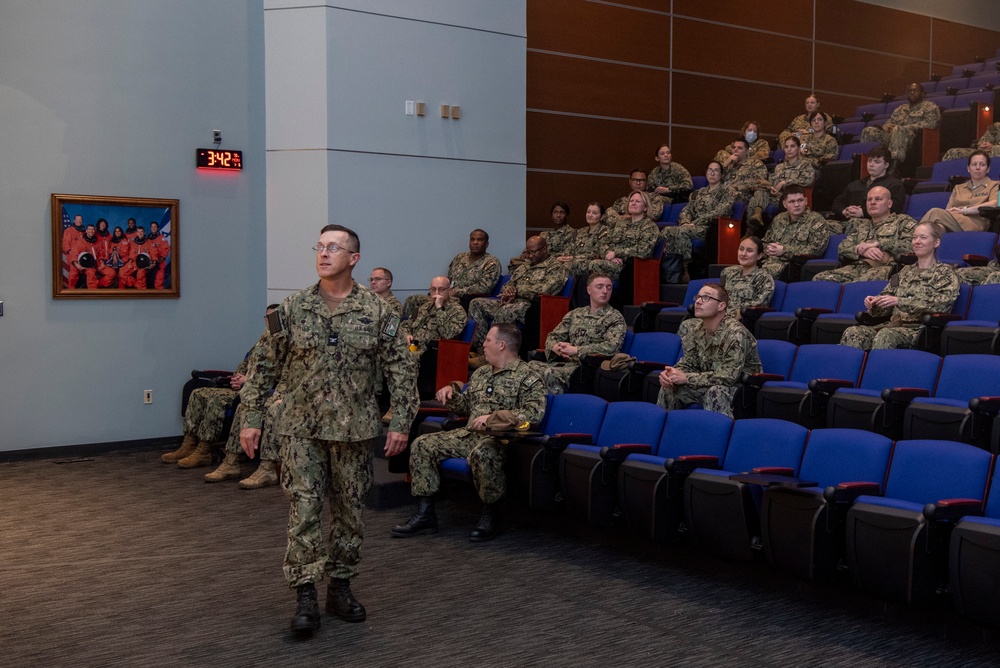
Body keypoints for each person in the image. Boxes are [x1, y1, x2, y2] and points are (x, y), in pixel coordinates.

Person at [239, 224, 418, 635]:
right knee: (303, 511)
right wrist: (251, 419)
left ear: (353, 259)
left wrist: (403, 422)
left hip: (354, 431)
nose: (323, 253)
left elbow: (401, 370)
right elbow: (263, 365)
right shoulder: (292, 308)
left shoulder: (378, 312)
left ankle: (339, 587)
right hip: (300, 428)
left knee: (350, 513)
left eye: (334, 247)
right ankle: (304, 595)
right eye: (320, 246)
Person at [391, 323, 547, 542]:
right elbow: (467, 407)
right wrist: (451, 395)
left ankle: (491, 515)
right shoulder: (482, 373)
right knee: (422, 444)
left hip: (501, 441)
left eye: (488, 340)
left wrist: (492, 420)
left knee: (483, 453)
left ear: (502, 345)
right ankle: (425, 514)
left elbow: (533, 415)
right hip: (469, 435)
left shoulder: (528, 377)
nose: (482, 344)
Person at [840, 221, 959, 350]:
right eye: (914, 237)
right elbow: (887, 297)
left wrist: (900, 301)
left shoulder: (945, 273)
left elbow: (941, 305)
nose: (917, 241)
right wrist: (875, 303)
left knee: (886, 336)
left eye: (923, 237)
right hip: (893, 325)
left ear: (936, 242)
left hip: (919, 329)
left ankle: (878, 370)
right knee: (853, 332)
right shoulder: (904, 272)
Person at [204, 304, 283, 489]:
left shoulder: (289, 342)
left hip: (284, 395)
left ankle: (268, 468)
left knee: (273, 409)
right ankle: (231, 462)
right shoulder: (264, 343)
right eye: (267, 318)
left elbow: (284, 377)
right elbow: (252, 367)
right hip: (266, 391)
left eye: (273, 319)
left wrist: (250, 383)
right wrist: (241, 379)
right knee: (243, 406)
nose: (269, 323)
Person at [656, 283, 762, 417]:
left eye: (706, 298)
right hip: (707, 382)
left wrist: (687, 378)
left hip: (741, 388)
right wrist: (671, 375)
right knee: (669, 388)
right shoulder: (694, 329)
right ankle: (667, 434)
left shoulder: (735, 333)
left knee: (715, 391)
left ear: (721, 306)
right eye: (698, 297)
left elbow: (729, 377)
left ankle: (716, 435)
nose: (698, 301)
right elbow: (690, 363)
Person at [161, 340, 261, 469]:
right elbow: (243, 365)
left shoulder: (281, 347)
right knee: (197, 393)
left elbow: (271, 376)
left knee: (217, 399)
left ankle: (204, 450)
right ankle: (189, 443)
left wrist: (247, 381)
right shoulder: (260, 344)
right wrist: (237, 378)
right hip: (239, 387)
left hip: (254, 391)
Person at [527, 272, 626, 395]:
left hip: (587, 368)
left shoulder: (614, 317)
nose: (605, 291)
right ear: (589, 290)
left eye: (609, 287)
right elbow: (553, 336)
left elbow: (612, 348)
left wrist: (577, 350)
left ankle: (555, 409)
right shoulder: (575, 314)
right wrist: (555, 347)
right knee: (529, 367)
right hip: (564, 363)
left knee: (549, 373)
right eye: (599, 287)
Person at [468, 236, 567, 350]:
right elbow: (509, 283)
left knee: (507, 311)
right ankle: (481, 348)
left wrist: (517, 292)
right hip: (511, 302)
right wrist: (507, 291)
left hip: (532, 307)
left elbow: (545, 290)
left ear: (544, 249)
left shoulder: (555, 268)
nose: (529, 256)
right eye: (527, 252)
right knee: (476, 303)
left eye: (533, 252)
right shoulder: (525, 266)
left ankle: (494, 350)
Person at [813, 186, 916, 283]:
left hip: (887, 268)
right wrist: (861, 251)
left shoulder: (903, 221)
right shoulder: (861, 225)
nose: (873, 202)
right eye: (869, 200)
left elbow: (912, 246)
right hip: (858, 266)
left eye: (878, 199)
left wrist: (878, 244)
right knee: (820, 279)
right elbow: (843, 247)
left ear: (889, 203)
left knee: (859, 283)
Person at [660, 161, 736, 283]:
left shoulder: (727, 191)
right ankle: (670, 271)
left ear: (721, 175)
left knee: (682, 232)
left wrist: (696, 222)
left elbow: (722, 210)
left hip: (711, 227)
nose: (712, 173)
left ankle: (685, 269)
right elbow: (687, 210)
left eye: (716, 170)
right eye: (709, 170)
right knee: (667, 230)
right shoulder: (698, 193)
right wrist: (685, 221)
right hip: (692, 226)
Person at [403, 229, 502, 317]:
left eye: (479, 240)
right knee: (413, 299)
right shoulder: (460, 257)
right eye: (472, 239)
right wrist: (438, 290)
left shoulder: (491, 262)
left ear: (487, 244)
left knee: (436, 304)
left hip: (463, 300)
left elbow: (484, 288)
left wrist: (458, 291)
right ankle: (406, 331)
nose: (475, 242)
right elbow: (448, 279)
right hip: (446, 295)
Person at [759, 186, 839, 279]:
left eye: (800, 200)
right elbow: (765, 242)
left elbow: (816, 250)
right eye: (792, 202)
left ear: (806, 201)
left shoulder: (816, 220)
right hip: (768, 263)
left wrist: (784, 251)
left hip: (792, 266)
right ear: (785, 204)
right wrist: (770, 249)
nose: (796, 205)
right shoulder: (779, 219)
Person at [746, 135, 816, 234]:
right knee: (757, 194)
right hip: (775, 196)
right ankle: (756, 217)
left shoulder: (805, 165)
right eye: (786, 147)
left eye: (792, 146)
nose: (789, 149)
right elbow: (773, 182)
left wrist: (785, 183)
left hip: (790, 198)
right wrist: (771, 188)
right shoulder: (779, 167)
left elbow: (809, 180)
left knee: (757, 200)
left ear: (798, 148)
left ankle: (751, 230)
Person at [588, 190, 660, 283]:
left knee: (594, 265)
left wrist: (617, 253)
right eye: (631, 201)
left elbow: (644, 250)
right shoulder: (620, 223)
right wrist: (609, 255)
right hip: (613, 262)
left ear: (645, 207)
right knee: (584, 267)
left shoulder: (649, 226)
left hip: (631, 266)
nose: (633, 203)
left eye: (637, 201)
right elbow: (604, 242)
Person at [861, 82, 941, 163]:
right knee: (868, 131)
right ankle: (866, 164)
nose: (912, 93)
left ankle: (893, 165)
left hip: (915, 139)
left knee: (898, 130)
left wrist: (905, 128)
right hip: (893, 137)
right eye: (910, 91)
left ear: (922, 94)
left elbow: (931, 124)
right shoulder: (900, 108)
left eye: (916, 90)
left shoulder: (930, 106)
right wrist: (885, 127)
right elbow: (890, 123)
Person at [919, 151, 999, 232]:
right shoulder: (958, 188)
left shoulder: (995, 185)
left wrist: (964, 210)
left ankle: (912, 238)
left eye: (982, 165)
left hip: (975, 223)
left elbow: (995, 204)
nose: (978, 168)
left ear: (988, 169)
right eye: (974, 164)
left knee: (934, 212)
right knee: (937, 229)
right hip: (954, 221)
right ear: (968, 168)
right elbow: (948, 210)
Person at [831, 146, 906, 220]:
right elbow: (837, 202)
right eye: (869, 161)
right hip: (847, 223)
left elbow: (895, 208)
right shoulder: (855, 184)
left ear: (886, 165)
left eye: (877, 162)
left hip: (875, 225)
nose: (871, 165)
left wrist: (863, 212)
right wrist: (845, 211)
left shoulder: (894, 185)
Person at [719, 236, 775, 315]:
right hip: (719, 316)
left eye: (749, 251)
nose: (743, 254)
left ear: (759, 256)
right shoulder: (728, 272)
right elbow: (719, 297)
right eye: (741, 249)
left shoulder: (764, 278)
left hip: (741, 320)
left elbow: (758, 306)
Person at [557, 201, 612, 278]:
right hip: (573, 262)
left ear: (602, 216)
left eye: (594, 213)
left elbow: (598, 253)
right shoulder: (580, 231)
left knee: (568, 267)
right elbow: (571, 247)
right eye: (588, 212)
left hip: (589, 265)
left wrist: (573, 258)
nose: (590, 215)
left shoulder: (605, 232)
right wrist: (564, 257)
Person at [66, 223, 115, 289]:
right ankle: (92, 292)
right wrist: (77, 265)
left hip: (97, 263)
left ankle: (100, 284)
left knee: (112, 273)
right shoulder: (80, 242)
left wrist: (102, 261)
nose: (91, 231)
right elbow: (74, 254)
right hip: (86, 265)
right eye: (89, 229)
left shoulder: (97, 241)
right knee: (90, 275)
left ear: (94, 231)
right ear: (86, 231)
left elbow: (100, 253)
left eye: (92, 229)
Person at [721, 138, 768, 204]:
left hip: (743, 196)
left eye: (740, 148)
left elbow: (759, 183)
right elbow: (715, 179)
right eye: (734, 147)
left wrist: (735, 188)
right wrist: (726, 163)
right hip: (724, 193)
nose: (735, 150)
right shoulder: (729, 165)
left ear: (747, 151)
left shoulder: (755, 164)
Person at [147, 221, 170, 289]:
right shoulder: (148, 238)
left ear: (157, 228)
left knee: (159, 279)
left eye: (155, 227)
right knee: (149, 278)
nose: (153, 228)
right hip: (150, 261)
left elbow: (166, 249)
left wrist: (161, 258)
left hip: (160, 261)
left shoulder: (162, 238)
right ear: (150, 228)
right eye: (152, 227)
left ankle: (159, 293)